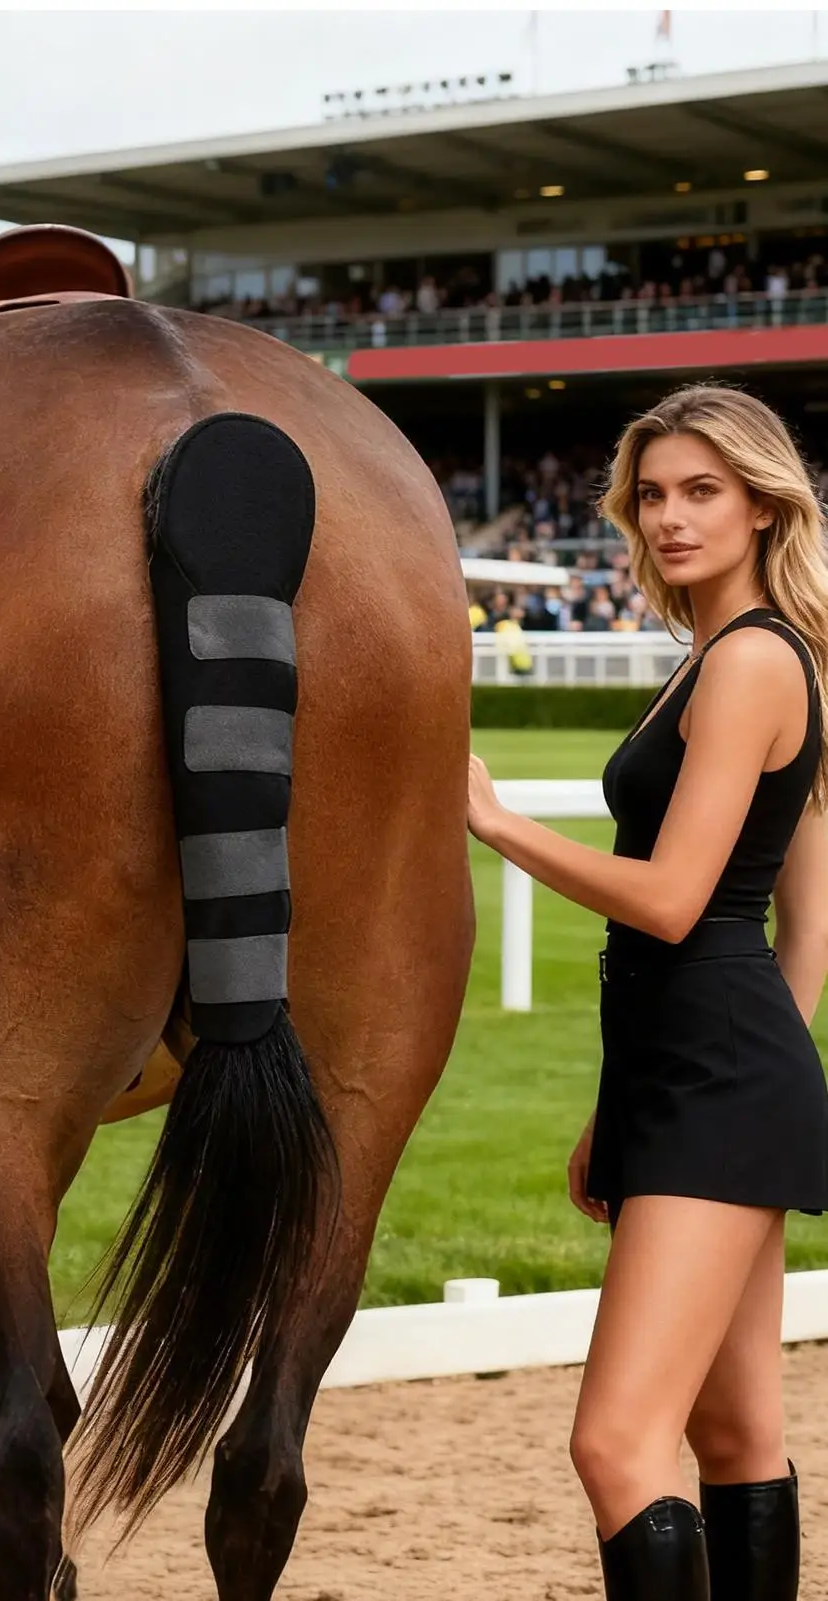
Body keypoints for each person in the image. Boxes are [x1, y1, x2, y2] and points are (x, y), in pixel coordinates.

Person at [468, 385, 828, 1600]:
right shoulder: (736, 659)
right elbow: (807, 926)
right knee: (730, 1439)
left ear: (762, 503)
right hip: (709, 1075)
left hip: (715, 1080)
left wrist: (494, 821)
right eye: (652, 495)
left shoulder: (752, 662)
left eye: (700, 491)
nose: (668, 518)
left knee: (615, 1443)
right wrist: (626, 1105)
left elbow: (674, 901)